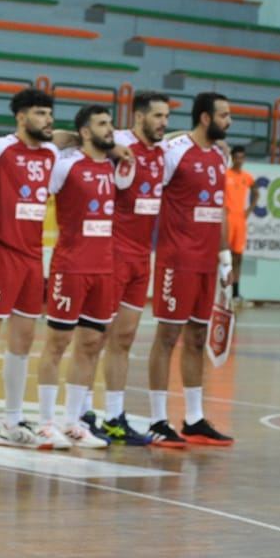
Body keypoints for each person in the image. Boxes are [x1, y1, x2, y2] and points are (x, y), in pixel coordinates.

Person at [0, 88, 59, 450]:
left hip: (33, 257)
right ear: (20, 117)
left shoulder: (51, 153)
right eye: (40, 113)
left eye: (49, 114)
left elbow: (69, 139)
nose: (48, 120)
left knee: (23, 340)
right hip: (0, 252)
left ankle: (12, 422)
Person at [145, 92, 236, 447]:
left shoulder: (219, 155)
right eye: (224, 115)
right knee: (167, 336)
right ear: (205, 117)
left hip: (206, 261)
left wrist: (225, 257)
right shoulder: (175, 151)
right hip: (177, 258)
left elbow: (219, 209)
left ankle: (194, 419)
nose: (229, 122)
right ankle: (157, 419)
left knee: (197, 337)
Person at [32, 105, 118, 449]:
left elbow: (159, 142)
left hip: (104, 267)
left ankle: (73, 422)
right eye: (102, 124)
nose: (110, 129)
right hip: (70, 266)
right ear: (85, 131)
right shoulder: (65, 164)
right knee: (57, 343)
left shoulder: (113, 164)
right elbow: (45, 150)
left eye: (111, 123)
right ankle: (45, 422)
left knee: (92, 344)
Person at [94, 90, 169, 446]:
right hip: (113, 252)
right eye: (157, 116)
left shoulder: (163, 151)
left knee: (124, 338)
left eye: (166, 117)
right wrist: (110, 147)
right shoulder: (119, 140)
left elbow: (187, 141)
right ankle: (81, 413)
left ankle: (114, 418)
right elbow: (71, 137)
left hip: (142, 256)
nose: (163, 123)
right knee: (95, 337)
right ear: (139, 117)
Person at [224, 145, 257, 302]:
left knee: (238, 257)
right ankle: (223, 290)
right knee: (224, 256)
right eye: (236, 157)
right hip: (227, 219)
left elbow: (256, 192)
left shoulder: (247, 177)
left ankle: (236, 293)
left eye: (242, 157)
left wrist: (249, 210)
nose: (239, 160)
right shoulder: (225, 174)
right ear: (232, 158)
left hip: (240, 221)